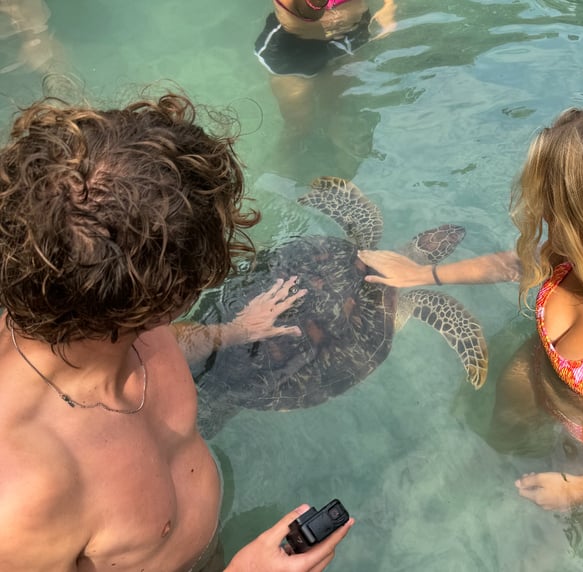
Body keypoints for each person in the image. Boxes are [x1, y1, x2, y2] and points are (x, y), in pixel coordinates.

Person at [0, 91, 353, 571]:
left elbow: (159, 337)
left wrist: (232, 330)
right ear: (177, 292)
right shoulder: (24, 497)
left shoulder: (116, 320)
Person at [358, 100, 583, 511]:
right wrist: (422, 275)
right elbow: (515, 264)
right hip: (528, 390)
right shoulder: (575, 250)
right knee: (484, 470)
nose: (540, 210)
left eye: (552, 201)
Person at [254, 0, 397, 135]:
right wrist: (340, 21)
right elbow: (301, 26)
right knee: (299, 125)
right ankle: (288, 152)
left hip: (351, 33)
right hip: (296, 46)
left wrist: (389, 6)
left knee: (334, 108)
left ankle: (337, 139)